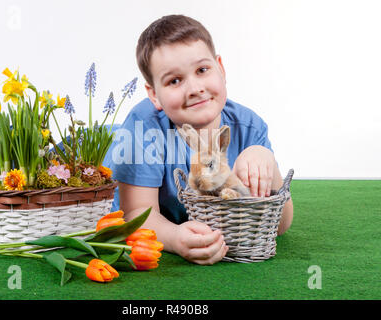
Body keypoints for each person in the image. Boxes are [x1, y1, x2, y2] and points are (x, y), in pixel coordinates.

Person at [106, 14, 294, 265]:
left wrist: (266, 161)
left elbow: (281, 224)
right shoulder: (143, 128)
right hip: (115, 145)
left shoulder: (249, 127)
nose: (194, 88)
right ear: (154, 95)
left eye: (202, 70)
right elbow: (134, 213)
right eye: (174, 80)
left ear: (221, 69)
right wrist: (173, 238)